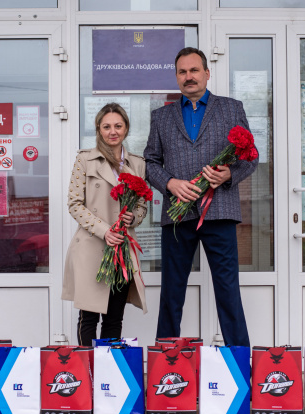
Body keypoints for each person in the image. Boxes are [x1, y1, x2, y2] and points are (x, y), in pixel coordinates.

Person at [143, 47, 258, 346]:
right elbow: (150, 162)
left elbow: (251, 157)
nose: (189, 77)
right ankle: (165, 359)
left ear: (207, 73)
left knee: (228, 290)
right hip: (177, 216)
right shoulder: (161, 117)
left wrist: (229, 174)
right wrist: (170, 184)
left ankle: (237, 359)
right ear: (176, 77)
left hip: (220, 212)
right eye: (182, 72)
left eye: (194, 70)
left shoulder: (231, 109)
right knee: (171, 292)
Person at [63, 103, 148, 346]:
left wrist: (134, 217)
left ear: (126, 128)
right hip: (92, 247)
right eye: (107, 126)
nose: (113, 131)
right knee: (89, 317)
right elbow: (75, 204)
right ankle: (86, 366)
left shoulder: (137, 164)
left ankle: (108, 367)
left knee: (114, 318)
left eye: (118, 126)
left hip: (122, 248)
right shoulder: (85, 160)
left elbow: (142, 205)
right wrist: (104, 231)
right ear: (98, 129)